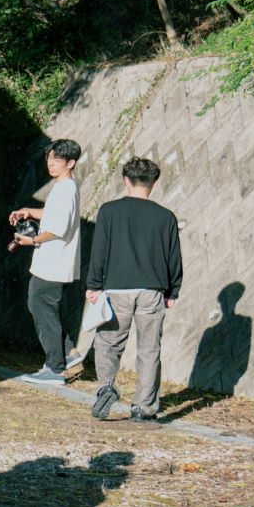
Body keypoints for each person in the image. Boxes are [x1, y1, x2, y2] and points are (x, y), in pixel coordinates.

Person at [85, 157, 184, 423]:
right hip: (152, 290)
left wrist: (94, 284)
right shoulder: (165, 217)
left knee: (108, 343)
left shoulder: (109, 211)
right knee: (150, 349)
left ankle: (106, 387)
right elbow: (173, 257)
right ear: (155, 183)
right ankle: (144, 408)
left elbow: (99, 251)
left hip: (117, 288)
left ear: (126, 180)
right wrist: (172, 292)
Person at [11, 139, 83, 385]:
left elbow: (58, 228)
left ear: (70, 163)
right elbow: (54, 215)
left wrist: (32, 241)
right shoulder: (64, 186)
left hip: (54, 263)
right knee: (42, 308)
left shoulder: (65, 189)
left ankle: (55, 368)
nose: (51, 164)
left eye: (57, 160)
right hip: (52, 262)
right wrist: (29, 211)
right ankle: (69, 353)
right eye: (49, 158)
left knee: (41, 308)